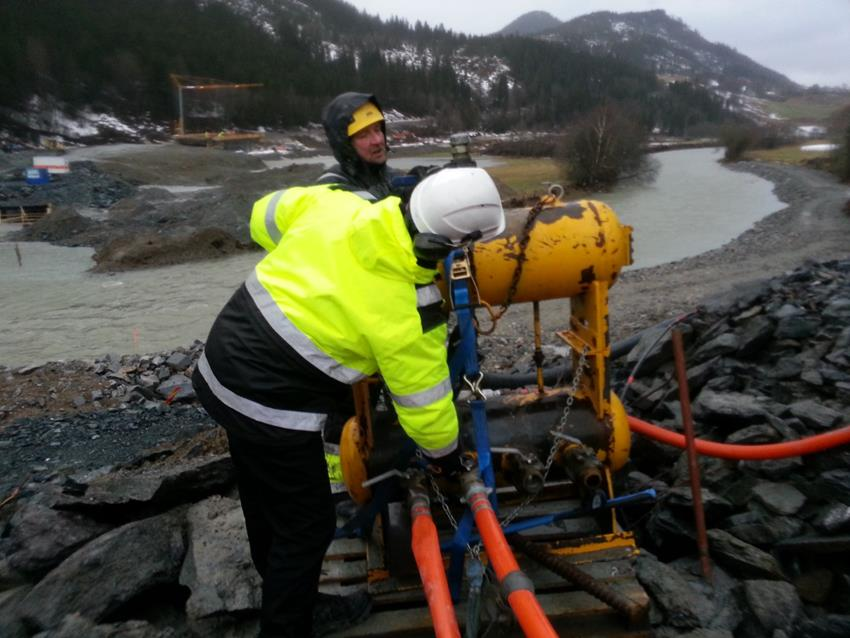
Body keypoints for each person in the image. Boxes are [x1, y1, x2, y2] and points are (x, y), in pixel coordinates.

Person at [191, 167, 505, 638]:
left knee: (261, 495)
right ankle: (289, 624)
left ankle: (282, 588)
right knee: (308, 525)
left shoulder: (337, 205)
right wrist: (445, 462)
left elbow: (263, 216)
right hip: (270, 402)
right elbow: (428, 414)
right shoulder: (410, 308)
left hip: (219, 366)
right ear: (451, 246)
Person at [316, 92, 401, 200]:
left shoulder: (391, 175)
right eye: (363, 135)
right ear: (346, 146)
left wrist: (421, 185)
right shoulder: (330, 186)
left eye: (377, 129)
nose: (377, 140)